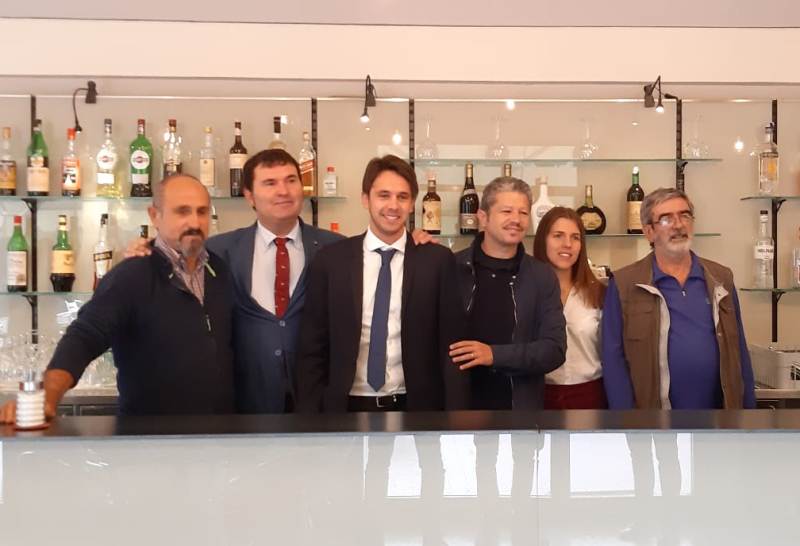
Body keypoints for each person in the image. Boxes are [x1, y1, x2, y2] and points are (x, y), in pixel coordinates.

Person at [0, 174, 235, 421]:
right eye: (182, 211)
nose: (194, 222)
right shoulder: (131, 275)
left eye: (202, 212)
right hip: (151, 434)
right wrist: (48, 395)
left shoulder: (219, 270)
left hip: (219, 433)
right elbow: (85, 336)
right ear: (155, 215)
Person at [296, 154, 467, 412]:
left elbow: (452, 347)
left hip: (415, 409)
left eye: (402, 197)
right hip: (345, 408)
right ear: (366, 199)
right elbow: (312, 346)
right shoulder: (331, 261)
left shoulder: (437, 261)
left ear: (412, 204)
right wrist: (311, 414)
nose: (393, 205)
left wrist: (456, 416)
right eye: (383, 195)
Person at [602, 187, 756, 409]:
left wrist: (748, 414)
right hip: (653, 420)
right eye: (666, 219)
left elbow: (739, 351)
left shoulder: (721, 278)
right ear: (649, 232)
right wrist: (626, 420)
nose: (678, 225)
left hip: (718, 418)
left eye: (684, 215)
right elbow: (613, 361)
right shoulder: (624, 284)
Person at [450, 176, 566, 410]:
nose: (516, 220)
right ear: (483, 217)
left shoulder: (541, 276)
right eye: (506, 211)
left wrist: (494, 355)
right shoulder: (452, 269)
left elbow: (554, 350)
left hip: (519, 412)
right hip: (458, 412)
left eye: (523, 213)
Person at [532, 206, 607, 409]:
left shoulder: (600, 293)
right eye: (558, 236)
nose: (567, 244)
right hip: (538, 397)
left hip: (590, 397)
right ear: (543, 240)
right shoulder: (527, 292)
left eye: (575, 237)